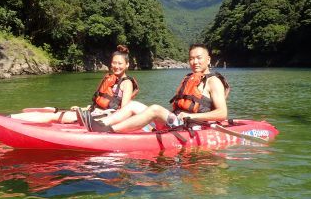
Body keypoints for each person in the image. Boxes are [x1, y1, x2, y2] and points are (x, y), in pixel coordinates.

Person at [83, 44, 228, 133]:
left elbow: (222, 113)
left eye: (199, 58)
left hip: (190, 125)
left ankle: (109, 130)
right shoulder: (191, 77)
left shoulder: (213, 81)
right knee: (133, 105)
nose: (194, 62)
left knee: (155, 109)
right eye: (191, 58)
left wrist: (191, 117)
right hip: (178, 121)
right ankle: (102, 123)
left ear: (208, 60)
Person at [11, 45, 139, 123]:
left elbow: (124, 110)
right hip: (94, 113)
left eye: (120, 63)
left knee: (54, 117)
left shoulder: (126, 83)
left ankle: (10, 119)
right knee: (53, 112)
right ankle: (10, 118)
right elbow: (101, 104)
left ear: (127, 65)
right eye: (114, 63)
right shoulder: (111, 79)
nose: (116, 66)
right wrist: (84, 109)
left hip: (102, 119)